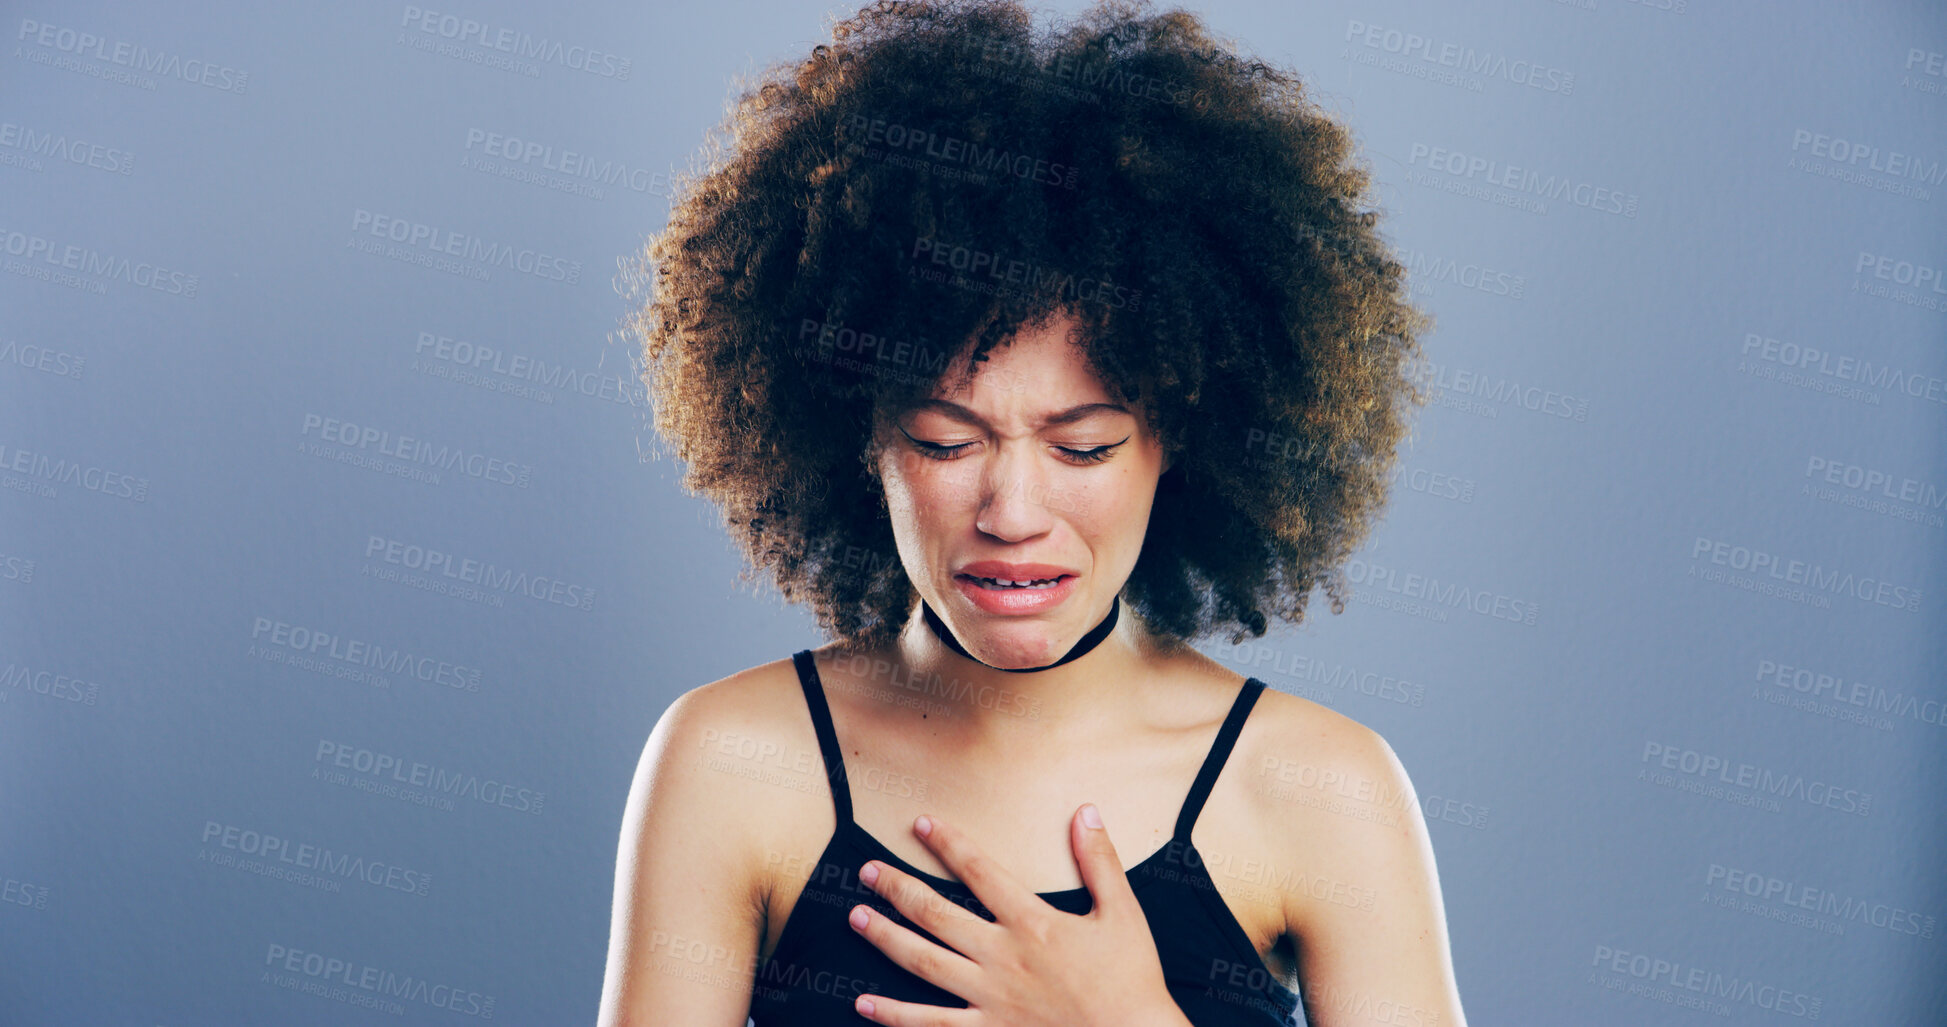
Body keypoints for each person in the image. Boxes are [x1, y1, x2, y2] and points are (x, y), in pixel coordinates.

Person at [599, 1, 1463, 1024]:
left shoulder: (1324, 788)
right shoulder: (731, 759)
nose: (1012, 512)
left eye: (1083, 447)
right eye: (944, 440)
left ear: (1176, 442)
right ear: (857, 440)